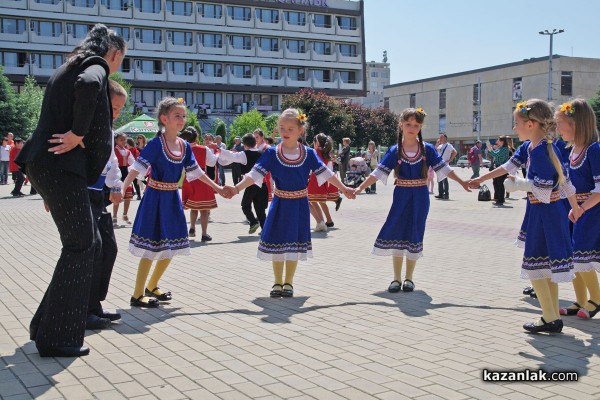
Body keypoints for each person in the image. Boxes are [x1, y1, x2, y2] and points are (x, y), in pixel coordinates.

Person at [15, 24, 126, 357]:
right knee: (82, 245)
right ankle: (58, 337)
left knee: (84, 245)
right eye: (120, 60)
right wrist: (78, 132)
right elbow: (92, 85)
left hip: (53, 168)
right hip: (60, 167)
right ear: (115, 53)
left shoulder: (74, 62)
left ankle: (46, 327)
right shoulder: (94, 66)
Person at [469, 99, 579, 333]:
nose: (514, 128)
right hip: (544, 212)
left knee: (535, 266)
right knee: (546, 267)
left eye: (517, 123)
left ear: (530, 124)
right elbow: (510, 165)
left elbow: (546, 188)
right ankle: (550, 317)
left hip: (545, 213)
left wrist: (517, 185)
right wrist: (481, 179)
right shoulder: (534, 146)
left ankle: (550, 317)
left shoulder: (541, 150)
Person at [224, 109, 355, 298]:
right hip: (280, 203)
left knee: (294, 243)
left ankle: (289, 282)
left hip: (300, 205)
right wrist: (236, 189)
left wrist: (344, 189)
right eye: (282, 127)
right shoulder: (271, 153)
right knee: (278, 242)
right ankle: (277, 282)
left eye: (290, 128)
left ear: (301, 130)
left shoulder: (308, 153)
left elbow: (326, 174)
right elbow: (254, 174)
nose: (285, 131)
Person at [121, 97, 227, 308]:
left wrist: (218, 188)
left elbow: (196, 172)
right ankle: (137, 294)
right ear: (164, 119)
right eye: (176, 116)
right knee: (151, 246)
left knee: (174, 243)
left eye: (183, 116)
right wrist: (122, 187)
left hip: (171, 199)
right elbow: (138, 168)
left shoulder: (184, 145)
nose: (181, 119)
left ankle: (152, 285)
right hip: (154, 198)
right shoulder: (156, 143)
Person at [355, 108, 471, 293]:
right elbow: (378, 172)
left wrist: (463, 181)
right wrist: (360, 187)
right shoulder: (395, 150)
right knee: (397, 232)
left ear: (421, 127)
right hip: (401, 196)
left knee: (414, 233)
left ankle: (409, 278)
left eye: (416, 125)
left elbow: (444, 168)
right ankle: (396, 279)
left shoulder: (428, 149)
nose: (412, 127)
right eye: (408, 124)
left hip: (420, 197)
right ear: (401, 125)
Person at [85, 79, 127, 330]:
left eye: (121, 109)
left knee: (109, 249)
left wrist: (115, 186)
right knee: (92, 251)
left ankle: (95, 304)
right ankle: (85, 309)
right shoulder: (85, 126)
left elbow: (111, 163)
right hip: (82, 194)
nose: (117, 113)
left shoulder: (109, 132)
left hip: (99, 194)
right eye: (113, 107)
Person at [555, 99, 600, 319]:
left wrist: (580, 208)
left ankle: (597, 299)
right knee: (574, 257)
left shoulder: (594, 150)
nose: (557, 129)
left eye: (560, 124)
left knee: (583, 256)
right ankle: (581, 300)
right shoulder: (574, 150)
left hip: (592, 209)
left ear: (575, 124)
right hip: (579, 209)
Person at [218, 133, 269, 234]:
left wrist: (217, 149)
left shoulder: (245, 154)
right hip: (263, 185)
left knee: (245, 205)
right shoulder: (262, 153)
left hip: (250, 184)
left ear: (244, 144)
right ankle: (266, 231)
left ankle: (253, 222)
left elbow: (232, 156)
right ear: (255, 143)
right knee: (260, 209)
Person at [180, 126, 218, 242]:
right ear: (197, 136)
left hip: (189, 179)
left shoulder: (183, 150)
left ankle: (191, 228)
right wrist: (216, 153)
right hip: (202, 179)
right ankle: (204, 233)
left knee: (193, 206)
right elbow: (211, 163)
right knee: (204, 208)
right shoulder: (204, 149)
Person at [308, 133, 337, 231]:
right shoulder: (327, 153)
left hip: (314, 180)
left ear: (317, 142)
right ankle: (325, 221)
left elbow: (310, 168)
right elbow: (330, 169)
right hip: (323, 181)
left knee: (311, 201)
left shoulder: (314, 152)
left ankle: (320, 222)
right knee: (320, 201)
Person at [112, 132, 135, 226]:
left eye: (124, 140)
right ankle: (114, 217)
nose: (123, 141)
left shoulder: (127, 151)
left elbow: (133, 163)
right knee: (117, 194)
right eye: (121, 139)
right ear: (116, 141)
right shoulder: (113, 150)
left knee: (128, 195)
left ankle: (125, 215)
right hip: (116, 173)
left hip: (126, 173)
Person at [486, 136, 511, 206]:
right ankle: (498, 198)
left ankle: (501, 200)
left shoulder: (505, 149)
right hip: (498, 167)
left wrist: (489, 147)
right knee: (496, 183)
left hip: (502, 168)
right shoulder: (502, 148)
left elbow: (495, 154)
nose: (497, 141)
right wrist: (490, 148)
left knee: (500, 184)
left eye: (498, 140)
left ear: (502, 141)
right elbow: (493, 153)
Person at [435, 133, 457, 199]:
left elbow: (455, 152)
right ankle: (440, 193)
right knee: (439, 179)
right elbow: (434, 150)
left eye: (441, 137)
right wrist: (437, 144)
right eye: (440, 137)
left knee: (444, 179)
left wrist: (450, 160)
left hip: (445, 164)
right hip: (439, 164)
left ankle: (446, 194)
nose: (440, 138)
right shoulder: (440, 146)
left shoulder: (448, 145)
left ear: (445, 138)